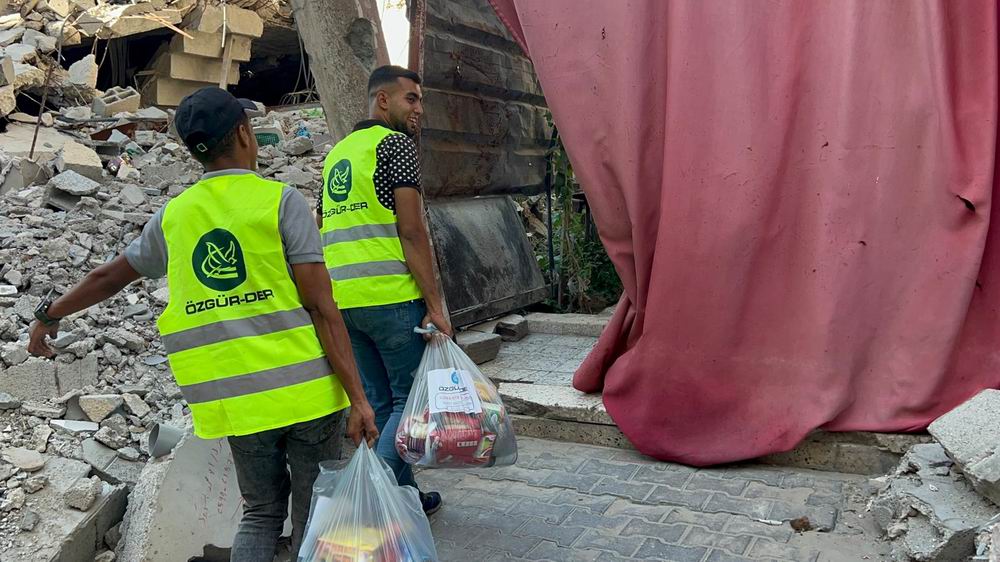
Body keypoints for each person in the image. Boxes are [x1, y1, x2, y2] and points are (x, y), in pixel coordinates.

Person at [26, 87, 378, 562]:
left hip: (235, 403)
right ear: (243, 132)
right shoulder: (280, 202)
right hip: (307, 393)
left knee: (260, 511)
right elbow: (321, 307)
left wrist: (49, 316)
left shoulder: (175, 216)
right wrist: (359, 398)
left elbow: (108, 276)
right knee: (316, 511)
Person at [316, 65, 451, 515]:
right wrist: (435, 304)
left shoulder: (338, 154)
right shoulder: (395, 146)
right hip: (390, 297)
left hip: (345, 303)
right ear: (383, 101)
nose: (419, 109)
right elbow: (411, 231)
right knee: (409, 404)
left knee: (379, 404)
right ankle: (367, 501)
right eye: (411, 99)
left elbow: (325, 229)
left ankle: (406, 498)